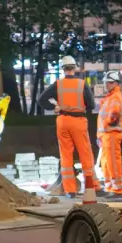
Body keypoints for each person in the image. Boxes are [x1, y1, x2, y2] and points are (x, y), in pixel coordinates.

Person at [36, 56, 96, 196]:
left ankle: (70, 190)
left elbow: (41, 100)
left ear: (63, 69)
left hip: (62, 120)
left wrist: (54, 106)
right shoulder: (82, 84)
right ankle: (91, 187)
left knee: (65, 155)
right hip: (78, 121)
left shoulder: (58, 84)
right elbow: (91, 105)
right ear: (74, 68)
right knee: (85, 154)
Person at [96, 71, 122, 196]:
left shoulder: (115, 97)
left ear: (115, 83)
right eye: (106, 83)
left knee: (112, 162)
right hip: (106, 135)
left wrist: (107, 123)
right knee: (106, 162)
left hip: (112, 133)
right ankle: (110, 187)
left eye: (109, 83)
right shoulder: (111, 97)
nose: (106, 85)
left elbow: (114, 113)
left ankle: (117, 189)